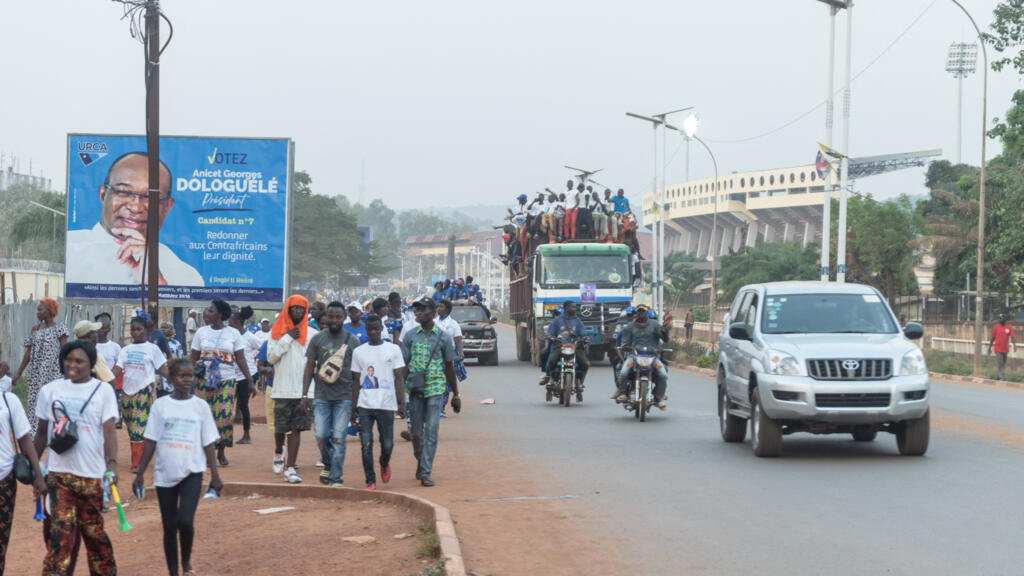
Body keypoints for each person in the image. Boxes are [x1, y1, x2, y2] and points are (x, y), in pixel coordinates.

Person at [34, 340, 120, 575]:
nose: (72, 365)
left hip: (91, 476)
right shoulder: (50, 390)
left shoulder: (103, 391)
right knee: (60, 537)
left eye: (79, 361)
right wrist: (33, 467)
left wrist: (111, 465)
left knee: (94, 536)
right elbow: (41, 433)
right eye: (68, 359)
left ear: (91, 364)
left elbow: (109, 431)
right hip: (59, 475)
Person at [134, 358, 223, 576]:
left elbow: (208, 442)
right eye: (182, 376)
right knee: (169, 526)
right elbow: (151, 441)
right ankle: (173, 571)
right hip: (165, 473)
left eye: (190, 375)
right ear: (172, 378)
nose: (187, 380)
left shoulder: (200, 406)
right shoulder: (160, 406)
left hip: (192, 471)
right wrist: (139, 474)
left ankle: (186, 561)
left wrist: (215, 475)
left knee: (185, 520)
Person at [65, 152, 203, 286]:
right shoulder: (68, 251)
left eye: (151, 197)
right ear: (103, 195)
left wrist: (156, 283)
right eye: (124, 192)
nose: (136, 207)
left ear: (167, 207)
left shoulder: (186, 276)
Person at [400, 297, 459, 487]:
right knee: (416, 433)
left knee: (432, 430)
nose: (417, 313)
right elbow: (404, 366)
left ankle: (426, 471)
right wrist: (400, 392)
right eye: (416, 310)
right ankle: (420, 459)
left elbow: (450, 367)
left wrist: (455, 394)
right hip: (415, 390)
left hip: (435, 388)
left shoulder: (443, 337)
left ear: (433, 313)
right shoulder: (409, 336)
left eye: (422, 310)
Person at [302, 302, 361, 486]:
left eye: (338, 317)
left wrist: (355, 402)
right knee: (321, 434)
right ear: (325, 317)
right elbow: (310, 366)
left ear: (344, 318)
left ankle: (335, 476)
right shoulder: (317, 339)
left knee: (338, 437)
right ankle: (327, 462)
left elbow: (356, 376)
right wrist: (304, 395)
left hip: (344, 397)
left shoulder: (353, 341)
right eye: (331, 316)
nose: (334, 320)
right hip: (321, 396)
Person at [189, 300, 250, 467]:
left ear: (219, 315)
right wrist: (183, 375)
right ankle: (203, 452)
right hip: (203, 380)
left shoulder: (233, 334)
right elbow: (193, 358)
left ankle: (220, 451)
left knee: (223, 417)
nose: (206, 314)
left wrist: (250, 381)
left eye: (210, 311)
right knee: (202, 416)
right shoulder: (201, 332)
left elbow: (241, 359)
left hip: (226, 380)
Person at [0, 358, 46, 574]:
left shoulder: (8, 400)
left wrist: (38, 475)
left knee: (1, 541)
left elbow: (24, 438)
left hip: (4, 478)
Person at [352, 314, 406, 490]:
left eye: (376, 328)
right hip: (365, 405)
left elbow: (398, 377)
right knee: (366, 443)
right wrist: (353, 407)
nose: (373, 332)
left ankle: (384, 463)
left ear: (382, 329)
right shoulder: (358, 352)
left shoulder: (393, 350)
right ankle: (370, 480)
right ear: (366, 330)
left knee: (388, 444)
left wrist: (401, 402)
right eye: (370, 329)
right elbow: (355, 381)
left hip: (386, 404)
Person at [268, 295, 318, 483]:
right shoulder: (276, 331)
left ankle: (290, 467)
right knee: (281, 428)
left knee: (297, 428)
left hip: (304, 390)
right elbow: (271, 357)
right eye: (294, 308)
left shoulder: (312, 335)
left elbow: (316, 363)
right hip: (282, 388)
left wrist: (310, 391)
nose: (297, 311)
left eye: (301, 308)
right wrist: (287, 337)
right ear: (288, 309)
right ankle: (279, 451)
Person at [113, 316, 169, 472]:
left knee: (138, 428)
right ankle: (144, 453)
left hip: (144, 391)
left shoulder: (152, 349)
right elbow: (117, 370)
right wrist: (104, 378)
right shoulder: (125, 350)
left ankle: (136, 463)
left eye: (138, 329)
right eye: (133, 329)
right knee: (132, 428)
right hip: (127, 393)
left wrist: (177, 382)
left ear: (145, 330)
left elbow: (163, 369)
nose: (135, 332)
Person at [13, 298, 68, 434]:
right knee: (34, 403)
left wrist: (67, 373)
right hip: (35, 374)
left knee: (53, 403)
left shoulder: (59, 328)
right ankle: (35, 434)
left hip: (53, 374)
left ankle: (55, 433)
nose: (37, 312)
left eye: (40, 309)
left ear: (49, 311)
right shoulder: (35, 329)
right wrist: (19, 372)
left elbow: (65, 351)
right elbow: (28, 352)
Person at [615, 305, 670, 409]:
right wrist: (625, 347)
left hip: (652, 357)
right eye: (639, 312)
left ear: (646, 313)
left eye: (643, 311)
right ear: (636, 314)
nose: (641, 313)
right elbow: (625, 341)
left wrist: (664, 333)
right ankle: (622, 393)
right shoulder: (630, 326)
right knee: (623, 372)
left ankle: (658, 398)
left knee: (663, 375)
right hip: (634, 356)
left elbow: (665, 339)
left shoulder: (654, 324)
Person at [227, 307, 260, 445]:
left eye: (230, 323)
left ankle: (247, 434)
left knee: (243, 404)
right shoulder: (229, 335)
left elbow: (262, 347)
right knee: (229, 404)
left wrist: (256, 361)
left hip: (247, 375)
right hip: (231, 374)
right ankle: (226, 434)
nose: (228, 325)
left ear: (237, 323)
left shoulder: (250, 337)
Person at [542, 301, 588, 394]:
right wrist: (552, 338)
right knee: (552, 361)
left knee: (585, 363)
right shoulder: (557, 320)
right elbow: (550, 334)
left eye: (575, 307)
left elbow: (583, 333)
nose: (575, 309)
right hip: (560, 347)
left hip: (575, 347)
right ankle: (552, 378)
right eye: (573, 307)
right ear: (566, 308)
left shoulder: (578, 321)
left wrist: (585, 338)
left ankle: (580, 382)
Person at [436, 300, 466, 416]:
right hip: (435, 355)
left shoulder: (453, 324)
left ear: (447, 310)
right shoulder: (433, 322)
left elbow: (458, 339)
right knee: (436, 380)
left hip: (448, 354)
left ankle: (442, 406)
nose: (438, 308)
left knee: (447, 381)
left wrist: (461, 353)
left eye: (441, 306)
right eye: (438, 306)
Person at [72, 320, 116, 385]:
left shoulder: (72, 353)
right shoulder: (94, 357)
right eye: (95, 332)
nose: (97, 334)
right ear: (89, 336)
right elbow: (110, 381)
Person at [537, 306, 563, 386]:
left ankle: (578, 380)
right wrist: (551, 337)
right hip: (555, 346)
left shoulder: (572, 323)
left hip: (569, 347)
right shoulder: (552, 324)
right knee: (547, 359)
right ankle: (547, 375)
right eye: (556, 314)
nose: (558, 316)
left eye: (559, 314)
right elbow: (548, 334)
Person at [989, 314, 1017, 381]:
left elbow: (1013, 337)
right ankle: (1001, 376)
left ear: (1005, 319)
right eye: (999, 318)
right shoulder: (996, 327)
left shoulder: (1009, 327)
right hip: (998, 348)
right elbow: (992, 338)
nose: (999, 319)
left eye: (1001, 318)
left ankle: (998, 376)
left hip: (1005, 349)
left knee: (1003, 363)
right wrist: (989, 347)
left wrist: (1014, 345)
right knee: (1000, 362)